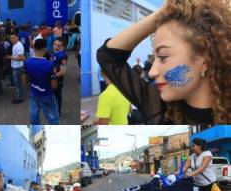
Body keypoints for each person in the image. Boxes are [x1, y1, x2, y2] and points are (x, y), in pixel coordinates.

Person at [97, 0, 231, 124]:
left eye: (163, 56)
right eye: (154, 58)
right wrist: (166, 11)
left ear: (206, 59)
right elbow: (108, 57)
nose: (151, 72)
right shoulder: (158, 107)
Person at [23, 38, 59, 124]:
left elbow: (24, 81)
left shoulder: (27, 62)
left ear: (34, 48)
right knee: (53, 118)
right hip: (47, 95)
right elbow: (54, 85)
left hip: (33, 93)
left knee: (34, 116)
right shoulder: (50, 65)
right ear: (45, 49)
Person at [6, 32, 25, 104]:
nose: (12, 39)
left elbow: (22, 58)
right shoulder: (15, 44)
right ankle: (21, 95)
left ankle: (19, 98)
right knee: (18, 83)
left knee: (18, 83)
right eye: (11, 38)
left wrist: (10, 57)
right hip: (16, 66)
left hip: (18, 67)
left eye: (14, 37)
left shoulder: (19, 46)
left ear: (17, 37)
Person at [51, 38, 68, 115]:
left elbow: (63, 71)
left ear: (63, 46)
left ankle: (57, 112)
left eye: (59, 46)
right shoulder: (54, 52)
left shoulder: (63, 56)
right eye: (55, 44)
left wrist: (53, 76)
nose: (56, 47)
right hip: (52, 79)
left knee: (57, 97)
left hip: (57, 80)